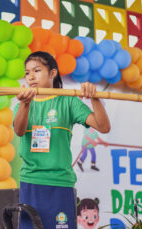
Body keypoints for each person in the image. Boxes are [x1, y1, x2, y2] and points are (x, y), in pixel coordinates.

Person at [13, 51, 110, 229]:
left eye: (37, 70)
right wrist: (24, 104)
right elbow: (19, 131)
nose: (31, 77)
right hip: (31, 181)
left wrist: (95, 98)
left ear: (52, 73)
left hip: (61, 183)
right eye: (27, 73)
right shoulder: (23, 102)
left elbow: (103, 127)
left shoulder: (68, 101)